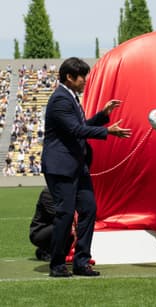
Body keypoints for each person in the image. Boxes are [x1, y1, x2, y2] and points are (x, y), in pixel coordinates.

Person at [42, 57, 132, 277]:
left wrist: (103, 116)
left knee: (89, 209)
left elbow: (80, 127)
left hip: (77, 167)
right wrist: (108, 131)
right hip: (61, 167)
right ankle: (57, 264)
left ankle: (82, 262)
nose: (85, 81)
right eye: (82, 77)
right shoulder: (60, 100)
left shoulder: (70, 97)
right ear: (69, 77)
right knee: (64, 214)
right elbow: (76, 130)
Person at [30, 187, 74, 262]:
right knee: (66, 225)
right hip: (40, 232)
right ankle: (47, 251)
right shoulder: (48, 193)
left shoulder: (69, 191)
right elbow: (58, 215)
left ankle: (50, 249)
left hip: (55, 227)